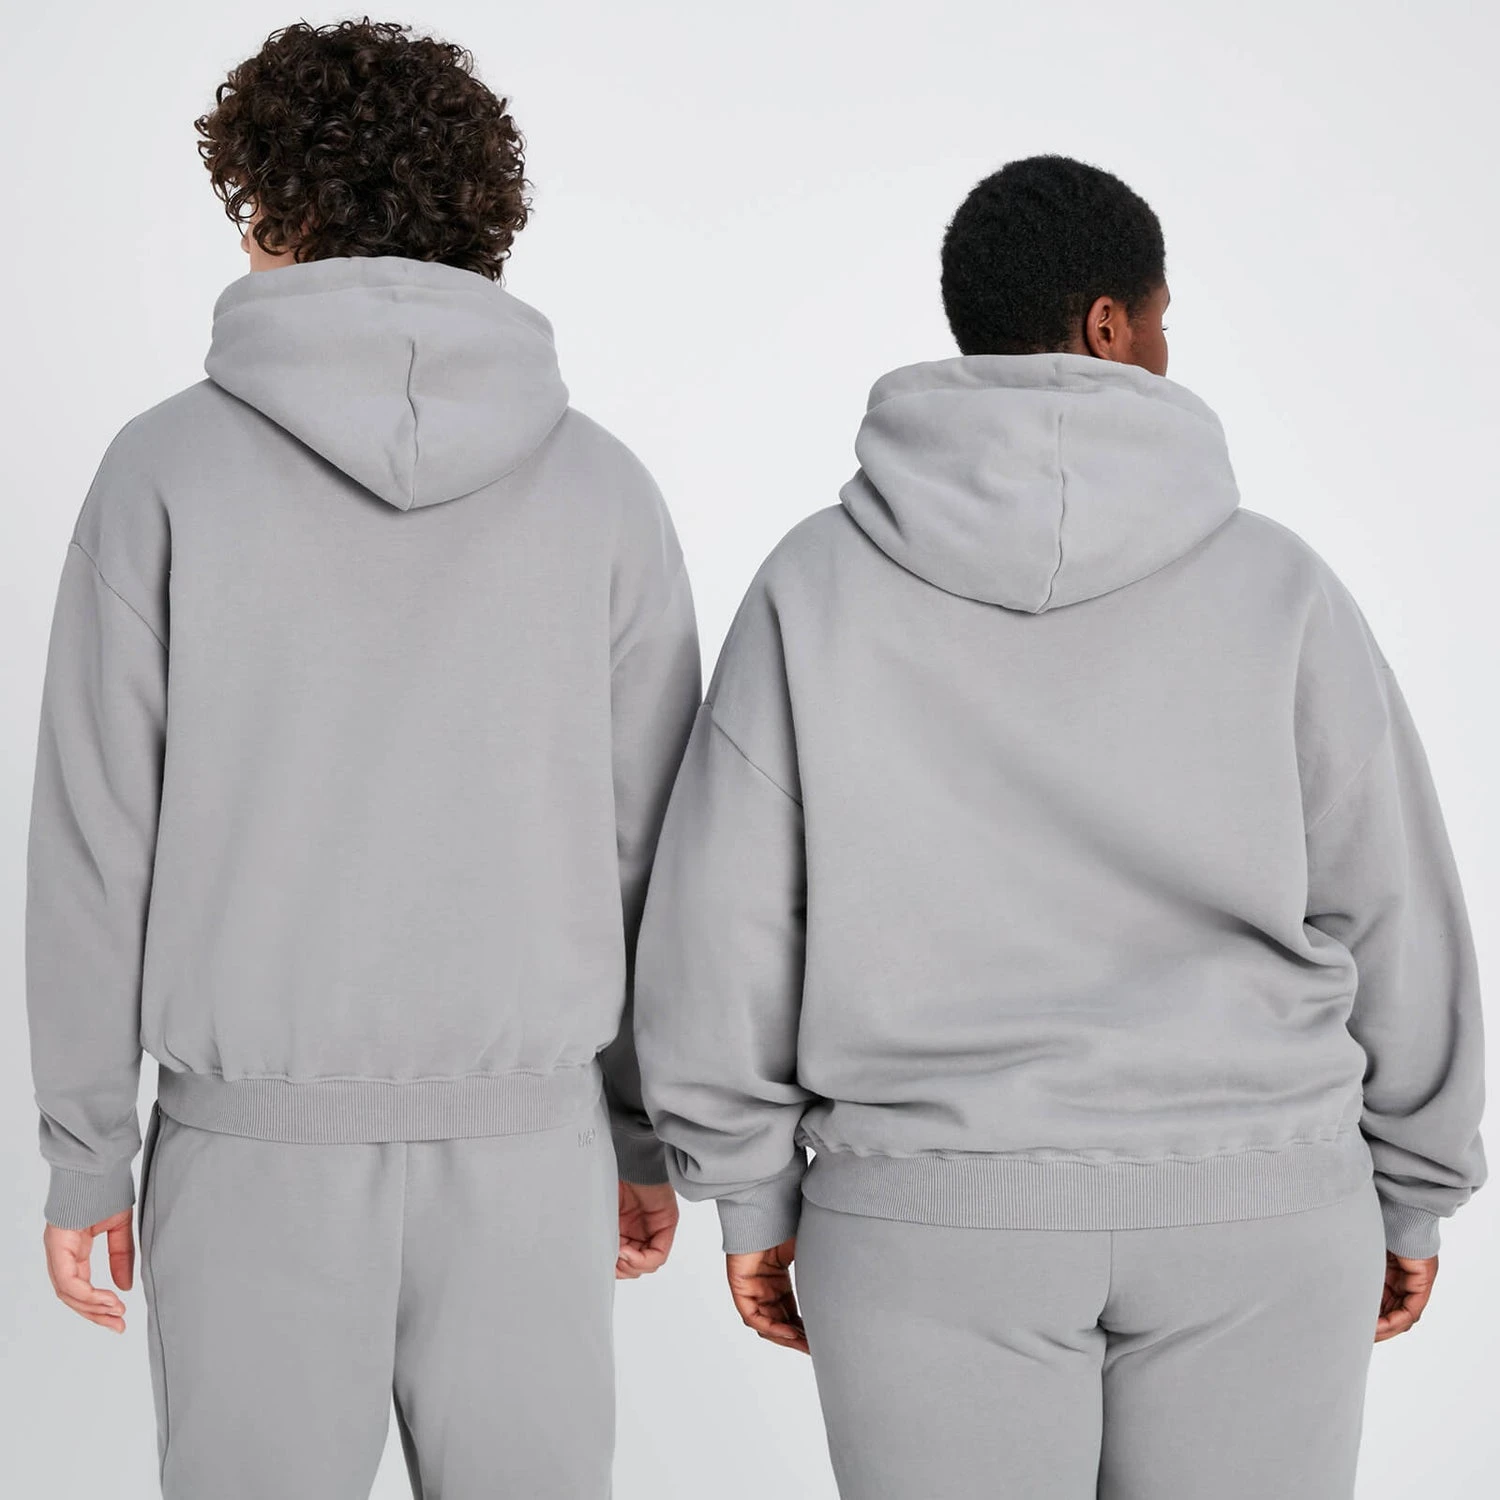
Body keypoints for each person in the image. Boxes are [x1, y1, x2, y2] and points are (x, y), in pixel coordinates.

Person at [634, 154, 1485, 1499]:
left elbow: (727, 912)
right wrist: (1416, 1185)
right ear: (1108, 325)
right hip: (1261, 1210)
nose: (1167, 348)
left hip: (925, 1219)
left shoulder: (815, 582)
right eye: (1161, 319)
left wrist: (747, 1184)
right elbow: (1393, 904)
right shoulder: (1282, 588)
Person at [26, 20, 697, 1499]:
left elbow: (95, 841)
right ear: (479, 211)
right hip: (533, 1153)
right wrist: (642, 1131)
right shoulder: (604, 489)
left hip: (249, 1159)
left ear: (275, 209)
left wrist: (86, 1151)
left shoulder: (163, 471)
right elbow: (657, 854)